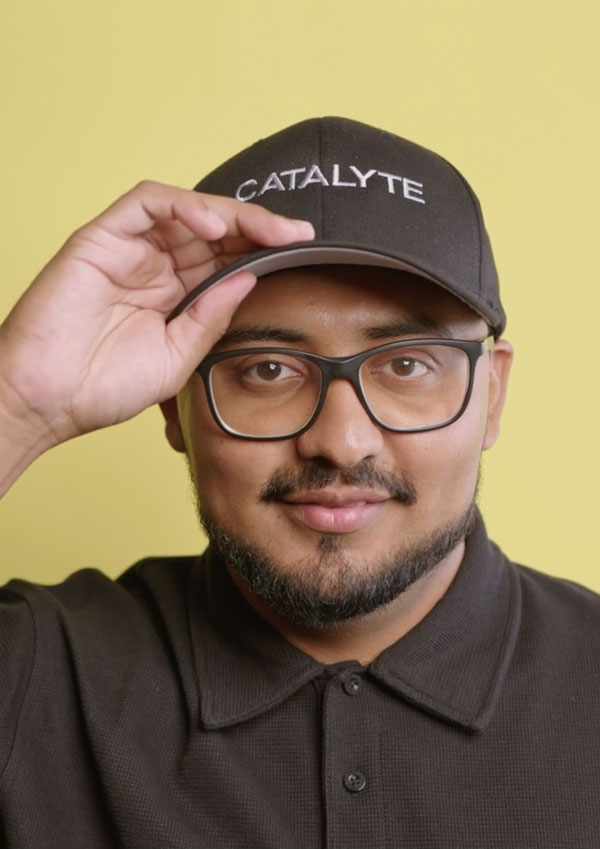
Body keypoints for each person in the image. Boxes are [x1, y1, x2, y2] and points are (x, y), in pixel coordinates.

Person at [0, 117, 598, 849]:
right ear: (174, 404)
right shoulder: (33, 670)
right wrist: (15, 404)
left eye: (406, 364)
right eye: (267, 370)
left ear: (492, 397)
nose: (340, 441)